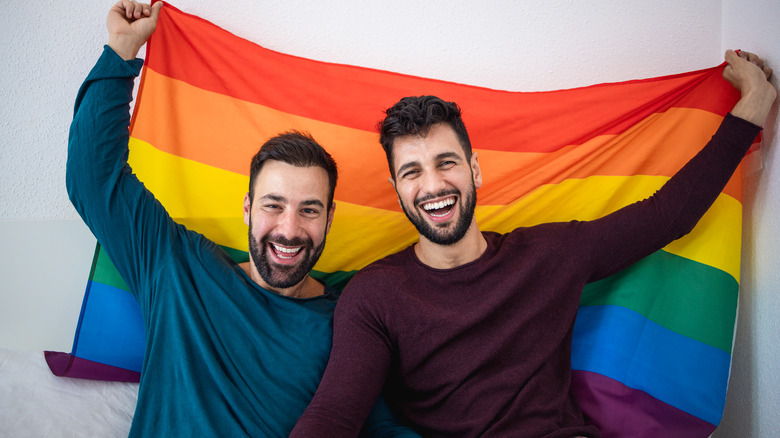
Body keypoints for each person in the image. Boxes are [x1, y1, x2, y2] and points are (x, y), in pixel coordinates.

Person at [290, 50, 777, 437]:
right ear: (397, 188)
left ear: (475, 169)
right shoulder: (376, 297)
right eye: (412, 172)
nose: (433, 185)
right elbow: (334, 416)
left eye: (446, 163)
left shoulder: (550, 255)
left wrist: (750, 111)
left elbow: (667, 215)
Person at [67, 1, 419, 436]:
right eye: (273, 205)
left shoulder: (346, 326)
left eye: (308, 210)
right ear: (248, 208)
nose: (289, 230)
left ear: (330, 219)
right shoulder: (178, 269)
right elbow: (92, 178)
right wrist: (122, 50)